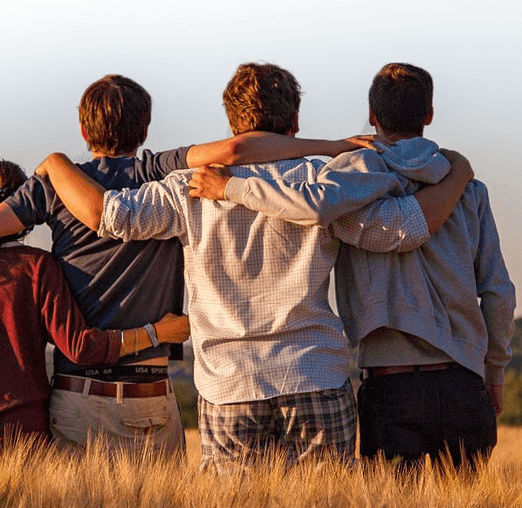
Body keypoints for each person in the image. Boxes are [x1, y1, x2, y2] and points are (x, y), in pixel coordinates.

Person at [37, 63, 473, 471]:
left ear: (231, 123)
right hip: (314, 373)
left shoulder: (186, 187)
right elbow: (396, 232)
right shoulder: (324, 183)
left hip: (229, 384)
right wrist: (457, 174)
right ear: (295, 123)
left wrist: (55, 163)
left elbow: (110, 216)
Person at [0, 74, 371, 457]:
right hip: (152, 392)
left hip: (78, 392)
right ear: (145, 129)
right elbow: (239, 149)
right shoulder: (160, 171)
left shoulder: (54, 186)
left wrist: (51, 170)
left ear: (84, 130)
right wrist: (336, 145)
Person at [201, 63, 515, 472]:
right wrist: (495, 372)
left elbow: (315, 206)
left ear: (372, 116)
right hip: (465, 383)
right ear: (429, 114)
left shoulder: (348, 186)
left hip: (390, 386)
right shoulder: (468, 190)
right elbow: (498, 293)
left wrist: (233, 187)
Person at [0, 160, 190, 457]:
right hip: (18, 441)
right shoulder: (38, 267)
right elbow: (80, 347)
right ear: (22, 213)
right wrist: (157, 332)